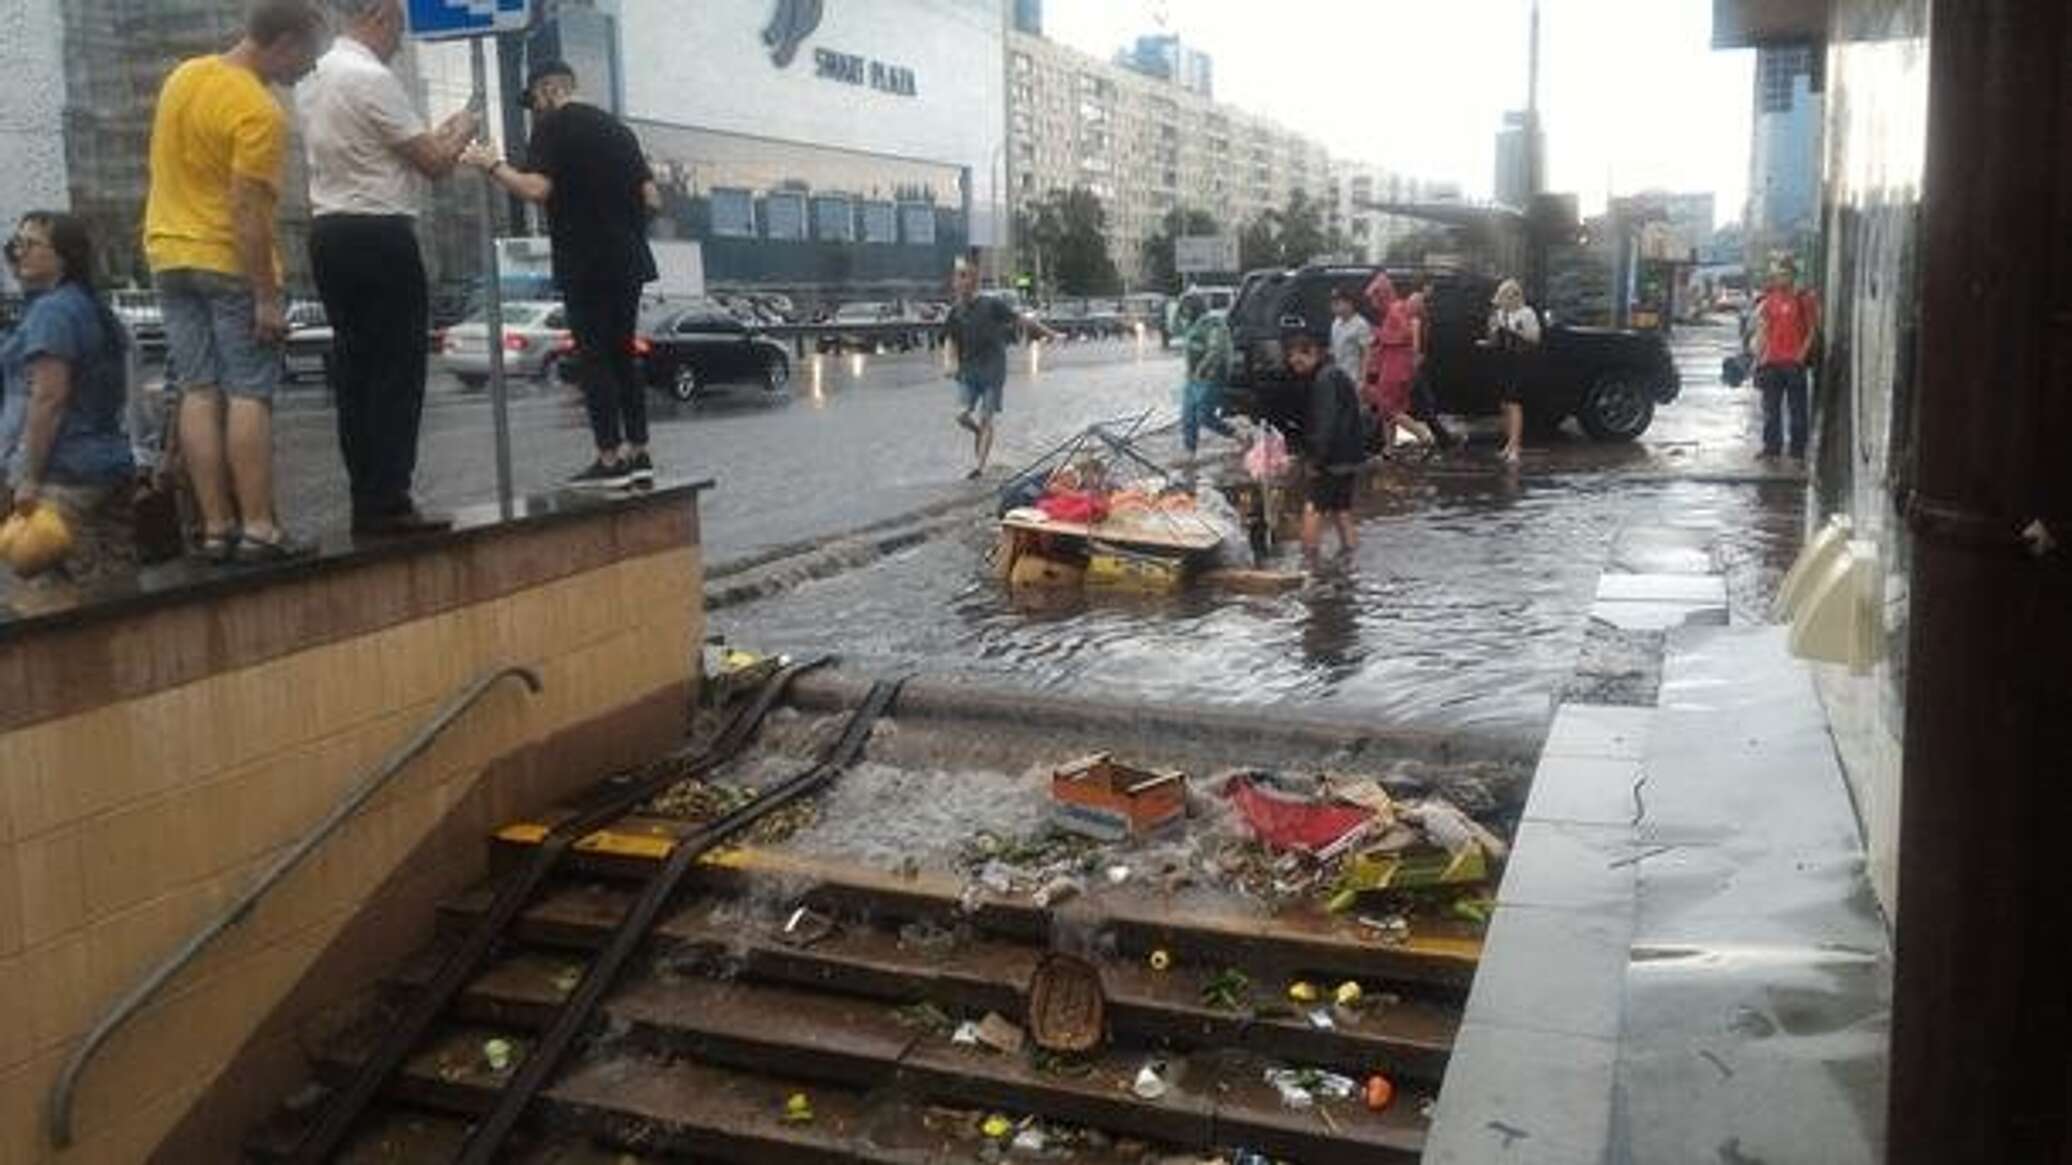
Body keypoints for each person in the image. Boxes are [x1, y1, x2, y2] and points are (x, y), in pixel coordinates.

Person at [144, 0, 325, 563]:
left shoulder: (184, 76)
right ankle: (259, 527)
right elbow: (247, 209)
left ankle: (216, 528)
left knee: (198, 389)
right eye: (308, 56)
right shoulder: (258, 111)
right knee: (250, 392)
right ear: (285, 42)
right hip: (227, 261)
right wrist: (266, 298)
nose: (308, 69)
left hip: (168, 254)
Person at [299, 0, 477, 534]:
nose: (400, 42)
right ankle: (392, 499)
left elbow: (386, 151)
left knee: (355, 371)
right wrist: (464, 129)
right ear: (377, 15)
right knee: (397, 370)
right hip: (380, 234)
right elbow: (435, 164)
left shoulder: (313, 78)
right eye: (399, 26)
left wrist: (435, 137)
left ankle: (367, 496)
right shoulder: (371, 78)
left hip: (329, 233)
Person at [463, 60, 661, 490]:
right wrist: (620, 223)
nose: (535, 110)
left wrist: (491, 164)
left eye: (535, 100)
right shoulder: (620, 131)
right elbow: (652, 198)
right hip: (629, 258)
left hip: (585, 259)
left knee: (594, 357)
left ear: (549, 90)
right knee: (623, 353)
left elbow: (536, 189)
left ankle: (609, 459)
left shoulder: (554, 126)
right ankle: (640, 453)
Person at [1, 213, 138, 588]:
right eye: (16, 244)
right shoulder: (92, 306)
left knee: (65, 591)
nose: (19, 252)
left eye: (31, 244)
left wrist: (29, 476)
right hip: (110, 463)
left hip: (66, 473)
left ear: (63, 256)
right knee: (119, 581)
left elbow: (48, 399)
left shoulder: (53, 312)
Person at [943, 259, 1053, 479]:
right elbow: (950, 339)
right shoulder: (955, 312)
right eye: (957, 277)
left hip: (993, 372)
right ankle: (978, 432)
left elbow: (1021, 319)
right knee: (961, 416)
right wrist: (949, 362)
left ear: (974, 281)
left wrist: (1049, 332)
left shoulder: (991, 304)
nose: (960, 281)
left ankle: (979, 467)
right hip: (968, 372)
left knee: (986, 418)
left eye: (964, 276)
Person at [1285, 326, 1365, 567]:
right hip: (1350, 455)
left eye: (1299, 359)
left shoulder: (1324, 380)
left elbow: (1326, 424)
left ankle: (1308, 564)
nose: (1294, 364)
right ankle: (1350, 562)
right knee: (1341, 509)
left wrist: (1316, 460)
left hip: (1332, 458)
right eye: (1291, 359)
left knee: (1313, 507)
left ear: (1314, 353)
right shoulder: (1335, 374)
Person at [1750, 254, 1819, 460]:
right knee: (1770, 410)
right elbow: (1764, 331)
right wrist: (1759, 359)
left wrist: (1801, 355)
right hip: (1771, 363)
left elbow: (1812, 330)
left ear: (1793, 276)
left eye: (1785, 274)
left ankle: (1797, 451)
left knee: (1797, 411)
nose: (1780, 278)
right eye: (1778, 274)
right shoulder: (1769, 300)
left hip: (1794, 364)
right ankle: (1771, 448)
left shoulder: (1804, 299)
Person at [1362, 272, 1436, 455]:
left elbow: (1405, 334)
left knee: (1388, 407)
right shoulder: (1395, 309)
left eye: (1374, 297)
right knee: (1390, 408)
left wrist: (1380, 335)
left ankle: (1422, 433)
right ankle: (1389, 449)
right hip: (1397, 363)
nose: (1372, 303)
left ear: (1382, 295)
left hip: (1395, 365)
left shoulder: (1394, 310)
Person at [1485, 278, 1541, 465]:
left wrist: (1515, 331)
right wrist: (1493, 332)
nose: (1502, 302)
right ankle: (1509, 444)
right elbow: (1494, 339)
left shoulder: (1526, 313)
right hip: (1504, 361)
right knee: (1505, 404)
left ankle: (1516, 446)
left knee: (1514, 403)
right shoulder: (1500, 314)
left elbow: (1535, 338)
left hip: (1520, 361)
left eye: (1505, 297)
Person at [1179, 292, 1240, 457]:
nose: (1184, 312)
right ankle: (1189, 454)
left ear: (1195, 307)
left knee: (1205, 417)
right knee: (1187, 417)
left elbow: (1217, 349)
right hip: (1192, 378)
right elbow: (1173, 327)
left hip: (1211, 377)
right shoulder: (1190, 325)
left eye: (1186, 308)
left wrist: (1202, 368)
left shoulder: (1214, 323)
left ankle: (1239, 435)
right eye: (1182, 308)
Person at [1405, 276, 1458, 447]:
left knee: (1420, 399)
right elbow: (1415, 326)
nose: (1432, 291)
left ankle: (1443, 438)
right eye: (1431, 287)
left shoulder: (1413, 301)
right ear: (1425, 286)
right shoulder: (1417, 301)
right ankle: (1443, 439)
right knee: (1422, 399)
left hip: (1415, 358)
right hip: (1416, 358)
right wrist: (1416, 353)